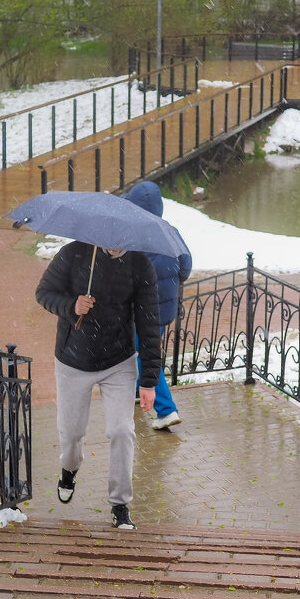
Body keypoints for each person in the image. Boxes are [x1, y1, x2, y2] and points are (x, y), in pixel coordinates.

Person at [35, 241, 161, 530]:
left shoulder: (140, 265)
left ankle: (120, 504)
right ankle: (68, 470)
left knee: (121, 430)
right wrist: (71, 305)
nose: (114, 245)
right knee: (72, 432)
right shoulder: (74, 253)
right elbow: (43, 293)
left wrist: (149, 381)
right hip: (73, 360)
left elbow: (149, 325)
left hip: (118, 361)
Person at [123, 181, 192, 430]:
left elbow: (126, 274)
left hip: (142, 309)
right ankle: (137, 391)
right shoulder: (169, 231)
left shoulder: (133, 236)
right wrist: (170, 285)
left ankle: (166, 410)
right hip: (164, 310)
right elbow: (185, 265)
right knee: (140, 350)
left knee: (146, 356)